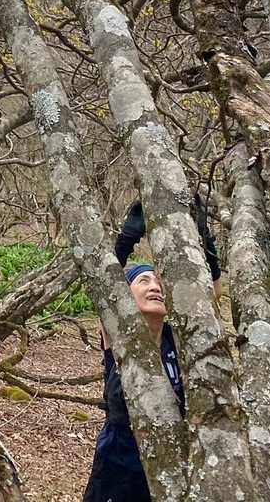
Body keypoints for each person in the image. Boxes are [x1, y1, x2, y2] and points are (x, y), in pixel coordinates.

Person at [81, 199, 220, 502]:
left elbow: (212, 295)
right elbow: (104, 285)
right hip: (116, 466)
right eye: (143, 281)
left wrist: (203, 237)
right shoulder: (119, 334)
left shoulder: (178, 340)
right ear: (125, 294)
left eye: (158, 281)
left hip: (169, 466)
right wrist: (127, 238)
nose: (154, 286)